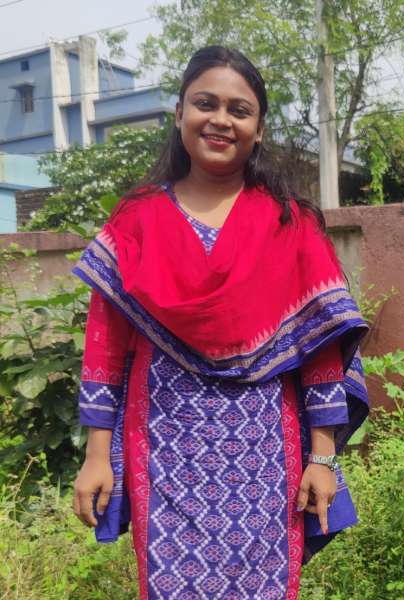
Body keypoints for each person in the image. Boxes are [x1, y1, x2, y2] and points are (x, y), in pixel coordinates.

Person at [72, 45, 369, 600]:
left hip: (264, 453)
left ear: (259, 129)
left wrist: (323, 457)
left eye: (240, 109)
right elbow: (106, 346)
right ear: (179, 113)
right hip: (163, 446)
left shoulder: (289, 222)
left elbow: (320, 350)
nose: (221, 120)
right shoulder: (138, 219)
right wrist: (96, 455)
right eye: (205, 103)